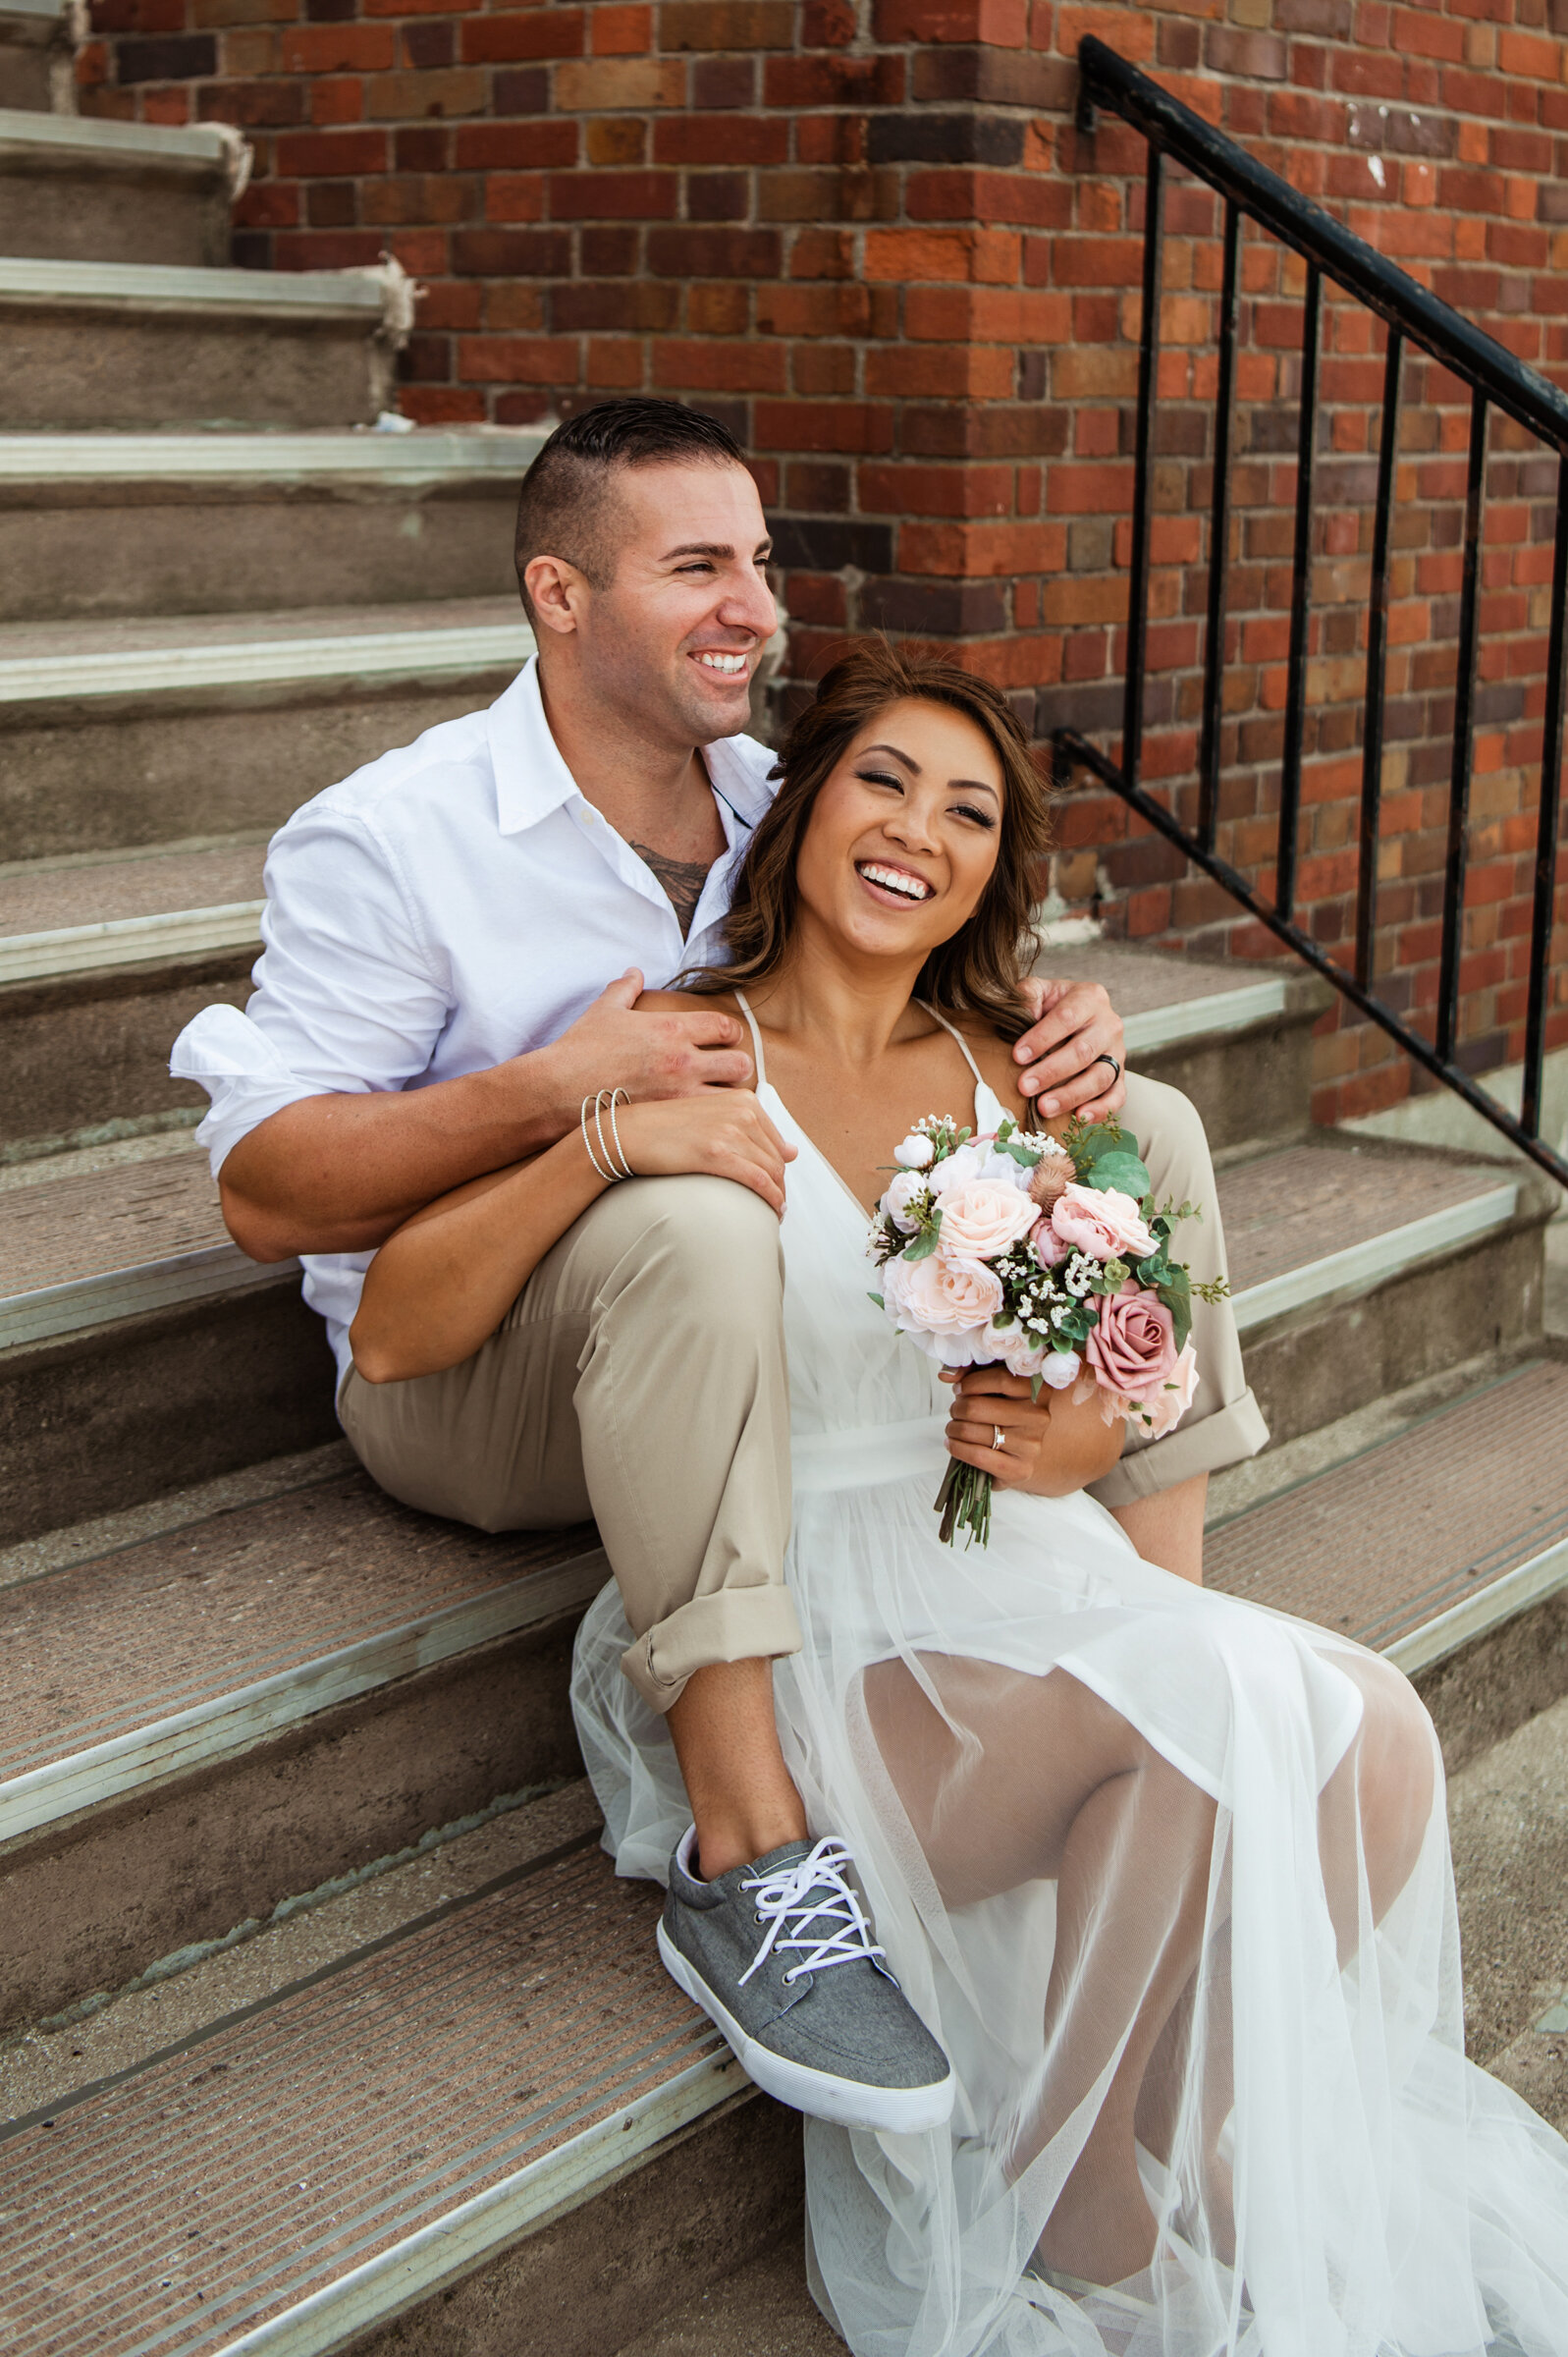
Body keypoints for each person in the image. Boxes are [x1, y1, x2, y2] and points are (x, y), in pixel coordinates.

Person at [351, 641, 1568, 2355]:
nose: (919, 828)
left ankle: (1151, 2136)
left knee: (1365, 1727)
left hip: (1019, 1574)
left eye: (970, 810)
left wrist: (1072, 1440)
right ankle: (1072, 2202)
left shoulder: (1029, 1085)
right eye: (881, 782)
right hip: (809, 1620)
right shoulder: (677, 1043)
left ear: (998, 870)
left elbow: (1102, 1391)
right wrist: (599, 1141)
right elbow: (402, 1326)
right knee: (1212, 1717)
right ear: (797, 813)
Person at [171, 397, 1146, 2132]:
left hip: (746, 1356)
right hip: (476, 1373)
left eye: (758, 566)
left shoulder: (786, 796)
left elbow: (915, 1014)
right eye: (696, 567)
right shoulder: (397, 835)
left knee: (1146, 1138)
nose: (753, 612)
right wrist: (559, 1092)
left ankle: (1166, 1618)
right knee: (694, 1214)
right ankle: (749, 1857)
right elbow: (268, 1190)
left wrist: (1060, 1035)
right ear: (559, 593)